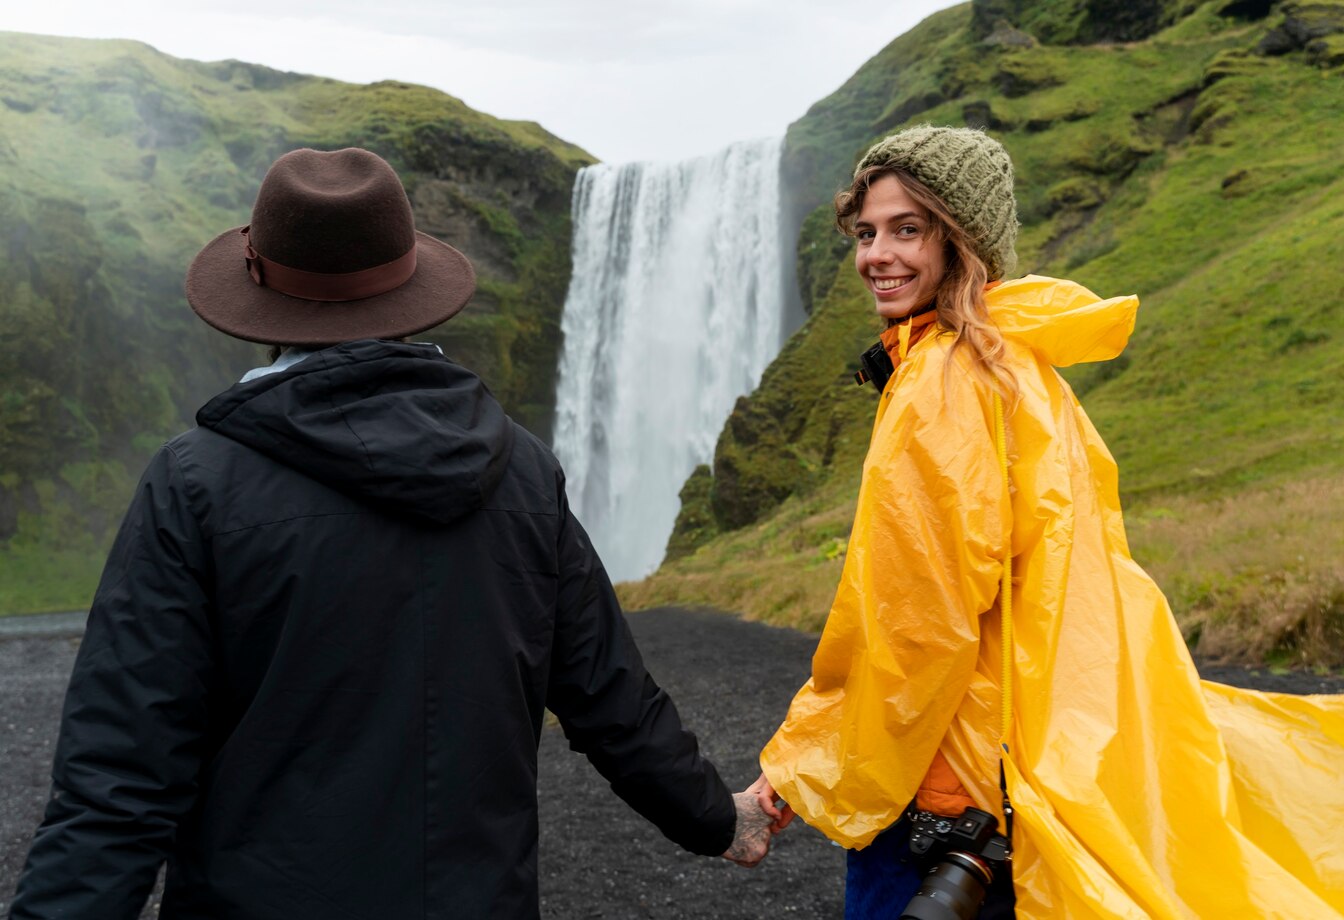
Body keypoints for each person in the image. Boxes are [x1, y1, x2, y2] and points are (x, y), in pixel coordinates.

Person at [10, 147, 774, 919]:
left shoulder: (195, 483)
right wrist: (718, 819)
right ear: (412, 287)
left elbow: (118, 782)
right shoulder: (525, 474)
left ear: (258, 293)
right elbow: (613, 701)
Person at [747, 125, 1344, 919]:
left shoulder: (939, 382)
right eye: (867, 232)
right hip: (1036, 771)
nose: (878, 254)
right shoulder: (1019, 365)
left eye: (909, 230)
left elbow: (913, 625)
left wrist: (801, 762)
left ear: (963, 241)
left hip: (944, 789)